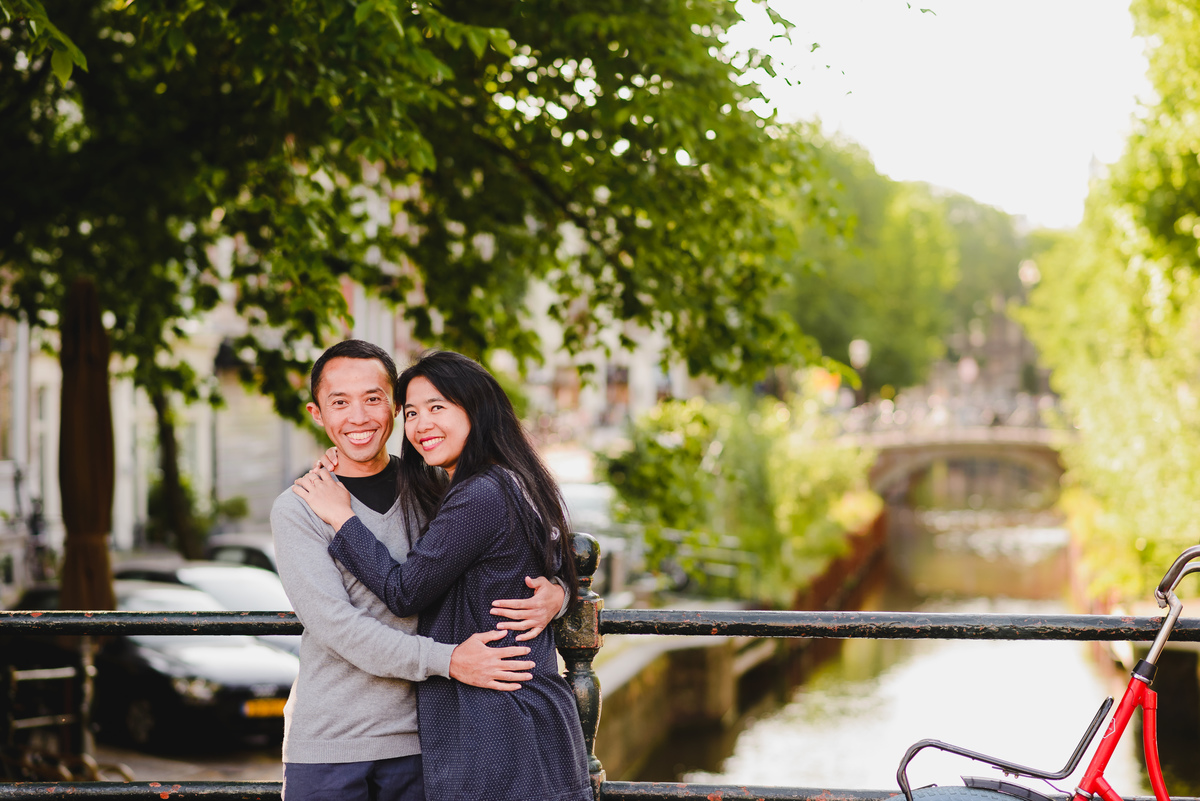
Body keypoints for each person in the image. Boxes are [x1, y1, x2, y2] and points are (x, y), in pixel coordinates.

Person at [271, 340, 567, 801]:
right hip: (331, 739)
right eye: (340, 402)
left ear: (391, 407)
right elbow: (336, 624)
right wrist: (447, 660)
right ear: (317, 413)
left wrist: (558, 592)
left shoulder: (437, 486)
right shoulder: (300, 507)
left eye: (374, 399)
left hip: (425, 740)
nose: (358, 416)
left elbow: (531, 542)